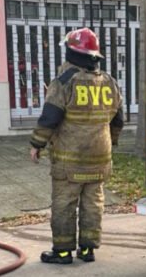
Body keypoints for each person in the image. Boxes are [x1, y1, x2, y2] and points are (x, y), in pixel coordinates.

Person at [30, 27, 124, 265]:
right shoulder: (110, 82)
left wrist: (36, 144)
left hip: (69, 160)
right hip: (100, 158)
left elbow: (50, 118)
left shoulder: (64, 82)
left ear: (71, 53)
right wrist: (111, 142)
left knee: (64, 204)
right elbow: (118, 120)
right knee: (93, 204)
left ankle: (62, 252)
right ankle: (87, 250)